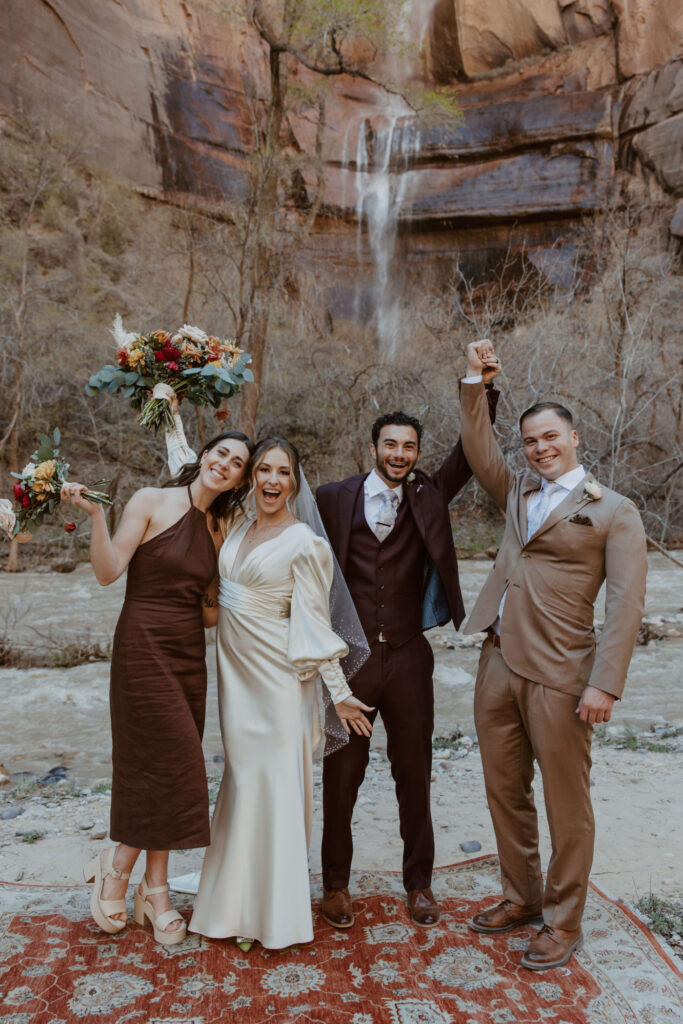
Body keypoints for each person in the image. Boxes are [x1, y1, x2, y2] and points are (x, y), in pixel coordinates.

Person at [459, 339, 647, 970]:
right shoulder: (516, 493)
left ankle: (564, 922)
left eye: (549, 437)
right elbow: (478, 446)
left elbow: (624, 605)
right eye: (530, 441)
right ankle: (521, 896)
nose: (540, 448)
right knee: (503, 791)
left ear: (572, 436)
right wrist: (475, 380)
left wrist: (605, 685)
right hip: (498, 660)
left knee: (568, 805)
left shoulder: (614, 511)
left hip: (565, 674)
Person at [62, 428, 254, 945]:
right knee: (173, 763)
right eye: (221, 453)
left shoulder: (221, 527)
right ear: (205, 455)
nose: (225, 464)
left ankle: (154, 887)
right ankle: (121, 866)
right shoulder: (151, 500)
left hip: (188, 653)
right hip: (142, 646)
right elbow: (107, 572)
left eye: (237, 463)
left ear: (240, 478)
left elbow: (210, 615)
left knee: (171, 764)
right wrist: (98, 516)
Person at [316, 394, 498, 930]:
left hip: (410, 656)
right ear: (372, 447)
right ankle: (335, 885)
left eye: (409, 446)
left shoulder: (428, 494)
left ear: (418, 453)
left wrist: (482, 391)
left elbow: (469, 450)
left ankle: (419, 885)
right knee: (341, 774)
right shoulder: (332, 498)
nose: (399, 454)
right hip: (350, 660)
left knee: (414, 773)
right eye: (390, 444)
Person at [185, 438, 373, 949]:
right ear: (251, 477)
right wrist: (166, 404)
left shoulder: (306, 544)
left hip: (278, 682)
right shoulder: (234, 524)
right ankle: (231, 904)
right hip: (236, 680)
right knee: (241, 784)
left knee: (273, 788)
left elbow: (313, 625)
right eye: (263, 469)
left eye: (282, 472)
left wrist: (338, 692)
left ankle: (275, 916)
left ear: (294, 482)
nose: (271, 480)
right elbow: (191, 468)